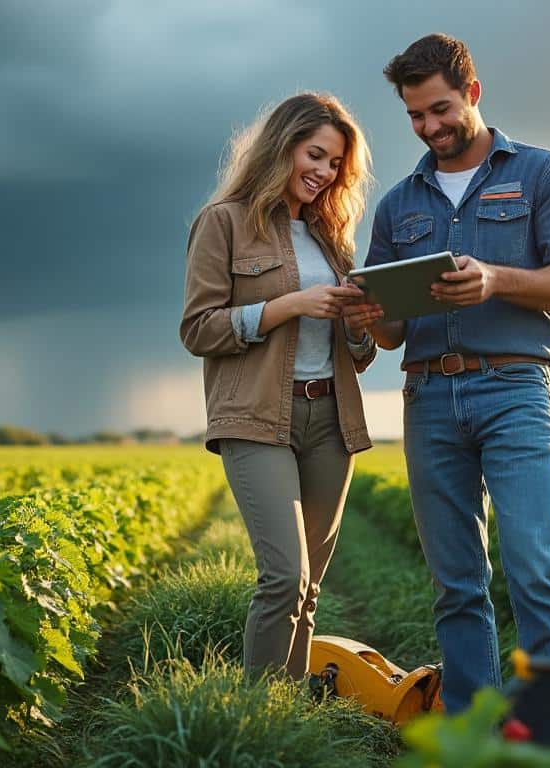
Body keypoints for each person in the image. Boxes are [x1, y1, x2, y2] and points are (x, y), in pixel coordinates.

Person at [342, 33, 550, 711]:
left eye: (440, 109)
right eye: (415, 116)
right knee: (456, 582)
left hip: (515, 390)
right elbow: (393, 332)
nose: (430, 127)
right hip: (427, 396)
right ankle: (472, 729)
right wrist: (370, 310)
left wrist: (495, 279)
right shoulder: (399, 205)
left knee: (535, 564)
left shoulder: (545, 173)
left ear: (473, 94)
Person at [180, 92, 379, 679]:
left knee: (310, 587)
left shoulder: (330, 238)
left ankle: (287, 721)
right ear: (282, 146)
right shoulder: (223, 223)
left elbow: (358, 356)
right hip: (257, 416)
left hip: (331, 420)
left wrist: (358, 326)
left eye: (335, 164)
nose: (323, 172)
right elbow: (197, 328)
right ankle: (256, 718)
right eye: (314, 155)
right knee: (283, 576)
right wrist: (287, 305)